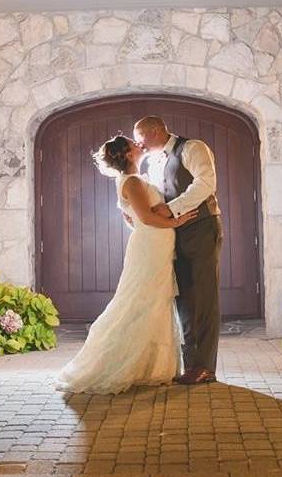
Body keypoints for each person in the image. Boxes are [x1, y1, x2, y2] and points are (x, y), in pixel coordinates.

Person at [55, 135, 197, 394]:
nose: (138, 144)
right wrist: (178, 220)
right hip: (151, 247)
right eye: (133, 144)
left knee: (155, 300)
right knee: (142, 300)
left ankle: (152, 366)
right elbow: (146, 218)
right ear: (128, 154)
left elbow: (135, 216)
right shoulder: (131, 181)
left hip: (157, 244)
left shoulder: (135, 180)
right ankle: (122, 363)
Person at [133, 116, 222, 385]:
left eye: (141, 137)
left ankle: (204, 367)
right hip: (174, 232)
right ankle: (191, 365)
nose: (138, 143)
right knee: (183, 297)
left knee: (203, 298)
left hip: (202, 228)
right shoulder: (156, 161)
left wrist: (172, 209)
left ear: (157, 130)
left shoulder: (193, 148)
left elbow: (206, 183)